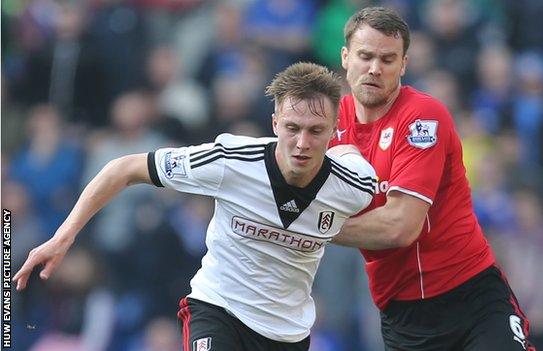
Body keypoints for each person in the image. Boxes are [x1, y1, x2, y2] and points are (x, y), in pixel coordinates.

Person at [13, 62, 376, 351]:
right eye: (292, 127)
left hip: (287, 332)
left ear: (334, 130)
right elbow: (123, 168)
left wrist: (348, 155)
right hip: (218, 308)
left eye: (315, 131)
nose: (301, 142)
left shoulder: (354, 184)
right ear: (275, 123)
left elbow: (389, 214)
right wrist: (63, 236)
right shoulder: (232, 160)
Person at [329, 7, 535, 350]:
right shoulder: (330, 125)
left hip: (471, 298)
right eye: (365, 56)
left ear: (404, 65)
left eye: (388, 59)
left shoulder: (422, 117)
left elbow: (401, 226)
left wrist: (309, 226)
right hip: (402, 315)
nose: (375, 68)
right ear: (346, 57)